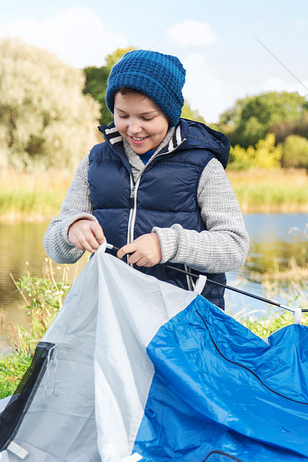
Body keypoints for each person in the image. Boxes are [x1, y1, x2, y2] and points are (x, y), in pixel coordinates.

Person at [44, 49, 249, 310]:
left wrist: (167, 245)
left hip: (185, 317)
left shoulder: (203, 165)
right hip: (115, 314)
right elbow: (55, 247)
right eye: (122, 115)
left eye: (146, 117)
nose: (133, 128)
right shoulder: (94, 162)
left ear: (169, 113)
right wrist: (71, 229)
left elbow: (234, 246)